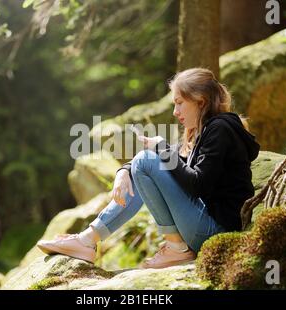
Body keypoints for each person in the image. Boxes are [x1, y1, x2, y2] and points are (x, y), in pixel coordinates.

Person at [37, 67, 260, 269]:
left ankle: (176, 249)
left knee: (145, 160)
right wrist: (123, 172)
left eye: (179, 102)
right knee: (142, 163)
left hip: (217, 230)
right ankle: (88, 240)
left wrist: (160, 149)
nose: (175, 111)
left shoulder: (219, 130)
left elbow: (197, 184)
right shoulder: (199, 133)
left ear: (200, 102)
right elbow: (170, 163)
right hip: (204, 225)